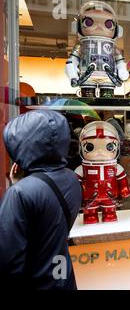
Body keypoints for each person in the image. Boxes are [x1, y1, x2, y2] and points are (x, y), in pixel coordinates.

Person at [0, 110, 82, 289]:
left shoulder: (20, 193)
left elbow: (8, 261)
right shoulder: (71, 178)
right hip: (63, 277)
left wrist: (17, 186)